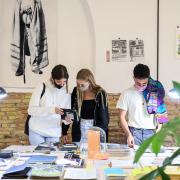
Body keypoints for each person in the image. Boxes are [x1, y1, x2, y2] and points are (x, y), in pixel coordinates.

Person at [116, 64, 168, 147]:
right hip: (134, 133)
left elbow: (161, 111)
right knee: (133, 159)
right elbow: (122, 117)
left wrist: (159, 129)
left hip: (151, 132)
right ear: (133, 78)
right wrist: (129, 135)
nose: (141, 86)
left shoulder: (154, 91)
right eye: (138, 83)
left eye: (144, 83)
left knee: (152, 159)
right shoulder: (126, 93)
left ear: (148, 78)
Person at [28, 64, 72, 145]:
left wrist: (67, 120)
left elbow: (65, 114)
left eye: (64, 82)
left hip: (54, 133)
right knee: (38, 156)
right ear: (52, 78)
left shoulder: (67, 93)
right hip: (37, 130)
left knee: (53, 156)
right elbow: (31, 110)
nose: (62, 85)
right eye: (58, 81)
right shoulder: (42, 87)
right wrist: (52, 110)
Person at [62, 69, 109, 143]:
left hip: (96, 128)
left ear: (90, 82)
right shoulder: (76, 91)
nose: (79, 87)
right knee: (79, 153)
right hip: (79, 129)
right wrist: (64, 132)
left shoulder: (100, 93)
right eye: (78, 84)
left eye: (82, 85)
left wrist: (97, 133)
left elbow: (104, 119)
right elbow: (70, 112)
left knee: (93, 153)